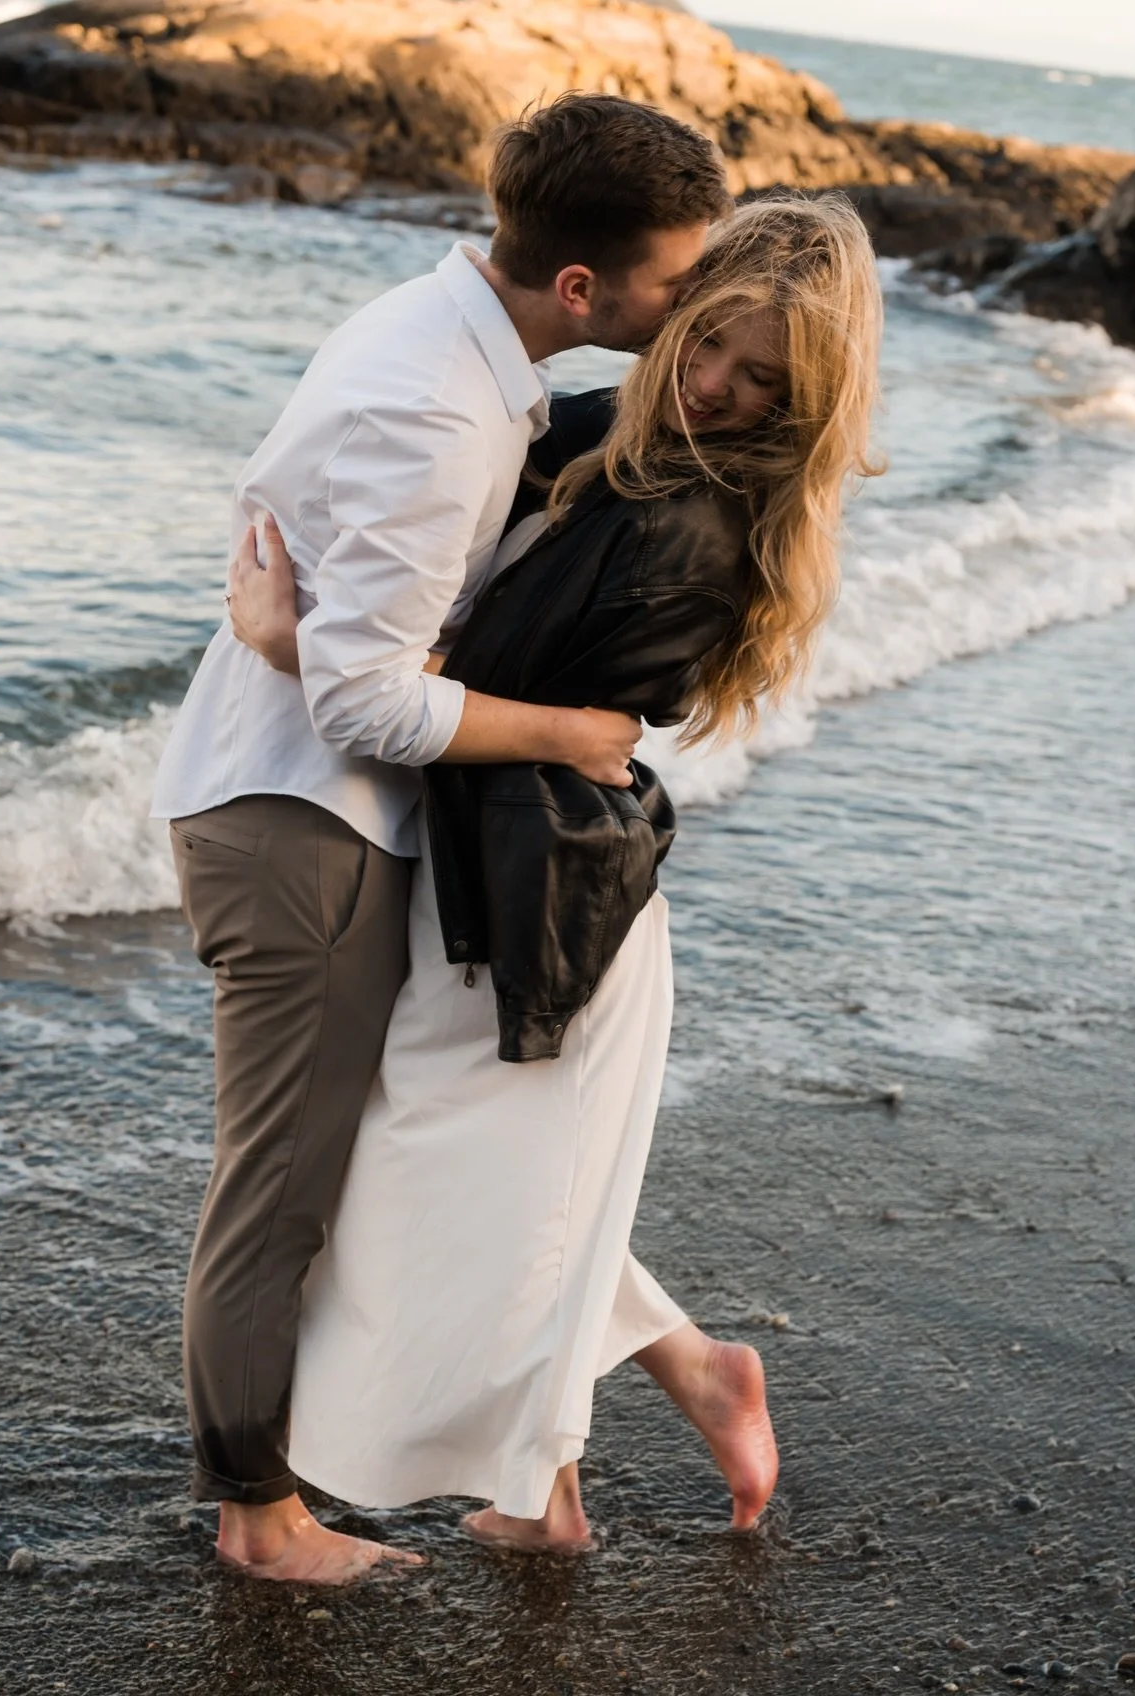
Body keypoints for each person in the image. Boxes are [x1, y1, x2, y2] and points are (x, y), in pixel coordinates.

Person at [225, 194, 883, 1563]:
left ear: (806, 405)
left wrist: (296, 649)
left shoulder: (694, 523)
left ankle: (602, 1444)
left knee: (457, 1187)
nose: (715, 387)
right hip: (497, 870)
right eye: (709, 342)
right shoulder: (601, 432)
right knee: (508, 1193)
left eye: (762, 381)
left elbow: (449, 688)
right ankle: (608, 1446)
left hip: (551, 907)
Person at [150, 92, 733, 1584]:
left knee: (394, 1162)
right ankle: (257, 1517)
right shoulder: (441, 407)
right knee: (285, 1187)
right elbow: (365, 699)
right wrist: (566, 735)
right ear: (584, 289)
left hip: (319, 807)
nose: (697, 304)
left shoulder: (449, 340)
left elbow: (361, 631)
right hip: (307, 822)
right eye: (680, 280)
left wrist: (310, 645)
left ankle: (675, 1362)